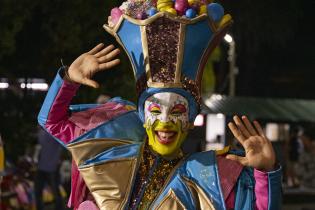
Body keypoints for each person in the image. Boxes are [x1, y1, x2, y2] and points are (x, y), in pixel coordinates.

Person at [38, 1, 282, 209]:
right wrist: (67, 81)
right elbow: (52, 122)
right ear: (143, 117)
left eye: (177, 111)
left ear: (190, 120)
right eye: (155, 110)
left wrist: (265, 173)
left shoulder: (208, 175)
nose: (165, 121)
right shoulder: (112, 146)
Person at [34, 127, 64, 210]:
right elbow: (39, 147)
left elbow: (61, 146)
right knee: (39, 191)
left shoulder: (53, 133)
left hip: (51, 167)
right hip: (43, 167)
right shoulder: (42, 133)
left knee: (53, 191)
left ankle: (59, 208)